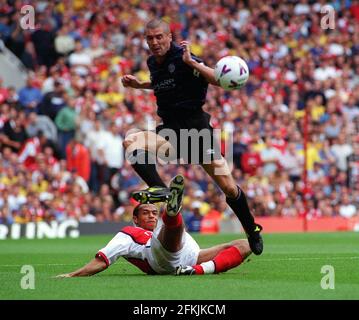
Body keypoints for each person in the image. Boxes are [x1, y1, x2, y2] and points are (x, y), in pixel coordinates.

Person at [121, 18, 263, 254]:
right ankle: (160, 189)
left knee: (228, 187)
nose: (155, 42)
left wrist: (192, 63)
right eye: (150, 38)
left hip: (197, 132)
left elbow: (218, 79)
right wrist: (140, 85)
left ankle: (251, 230)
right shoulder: (153, 62)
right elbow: (163, 83)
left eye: (159, 37)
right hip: (170, 133)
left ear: (169, 37)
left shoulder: (184, 57)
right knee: (131, 140)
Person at [55, 175, 252, 277]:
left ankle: (197, 270)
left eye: (153, 213)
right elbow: (103, 259)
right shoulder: (129, 234)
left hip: (193, 257)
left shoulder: (157, 227)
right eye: (145, 213)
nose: (150, 216)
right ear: (135, 219)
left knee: (245, 245)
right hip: (161, 257)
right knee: (171, 230)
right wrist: (74, 274)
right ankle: (172, 210)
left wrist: (194, 265)